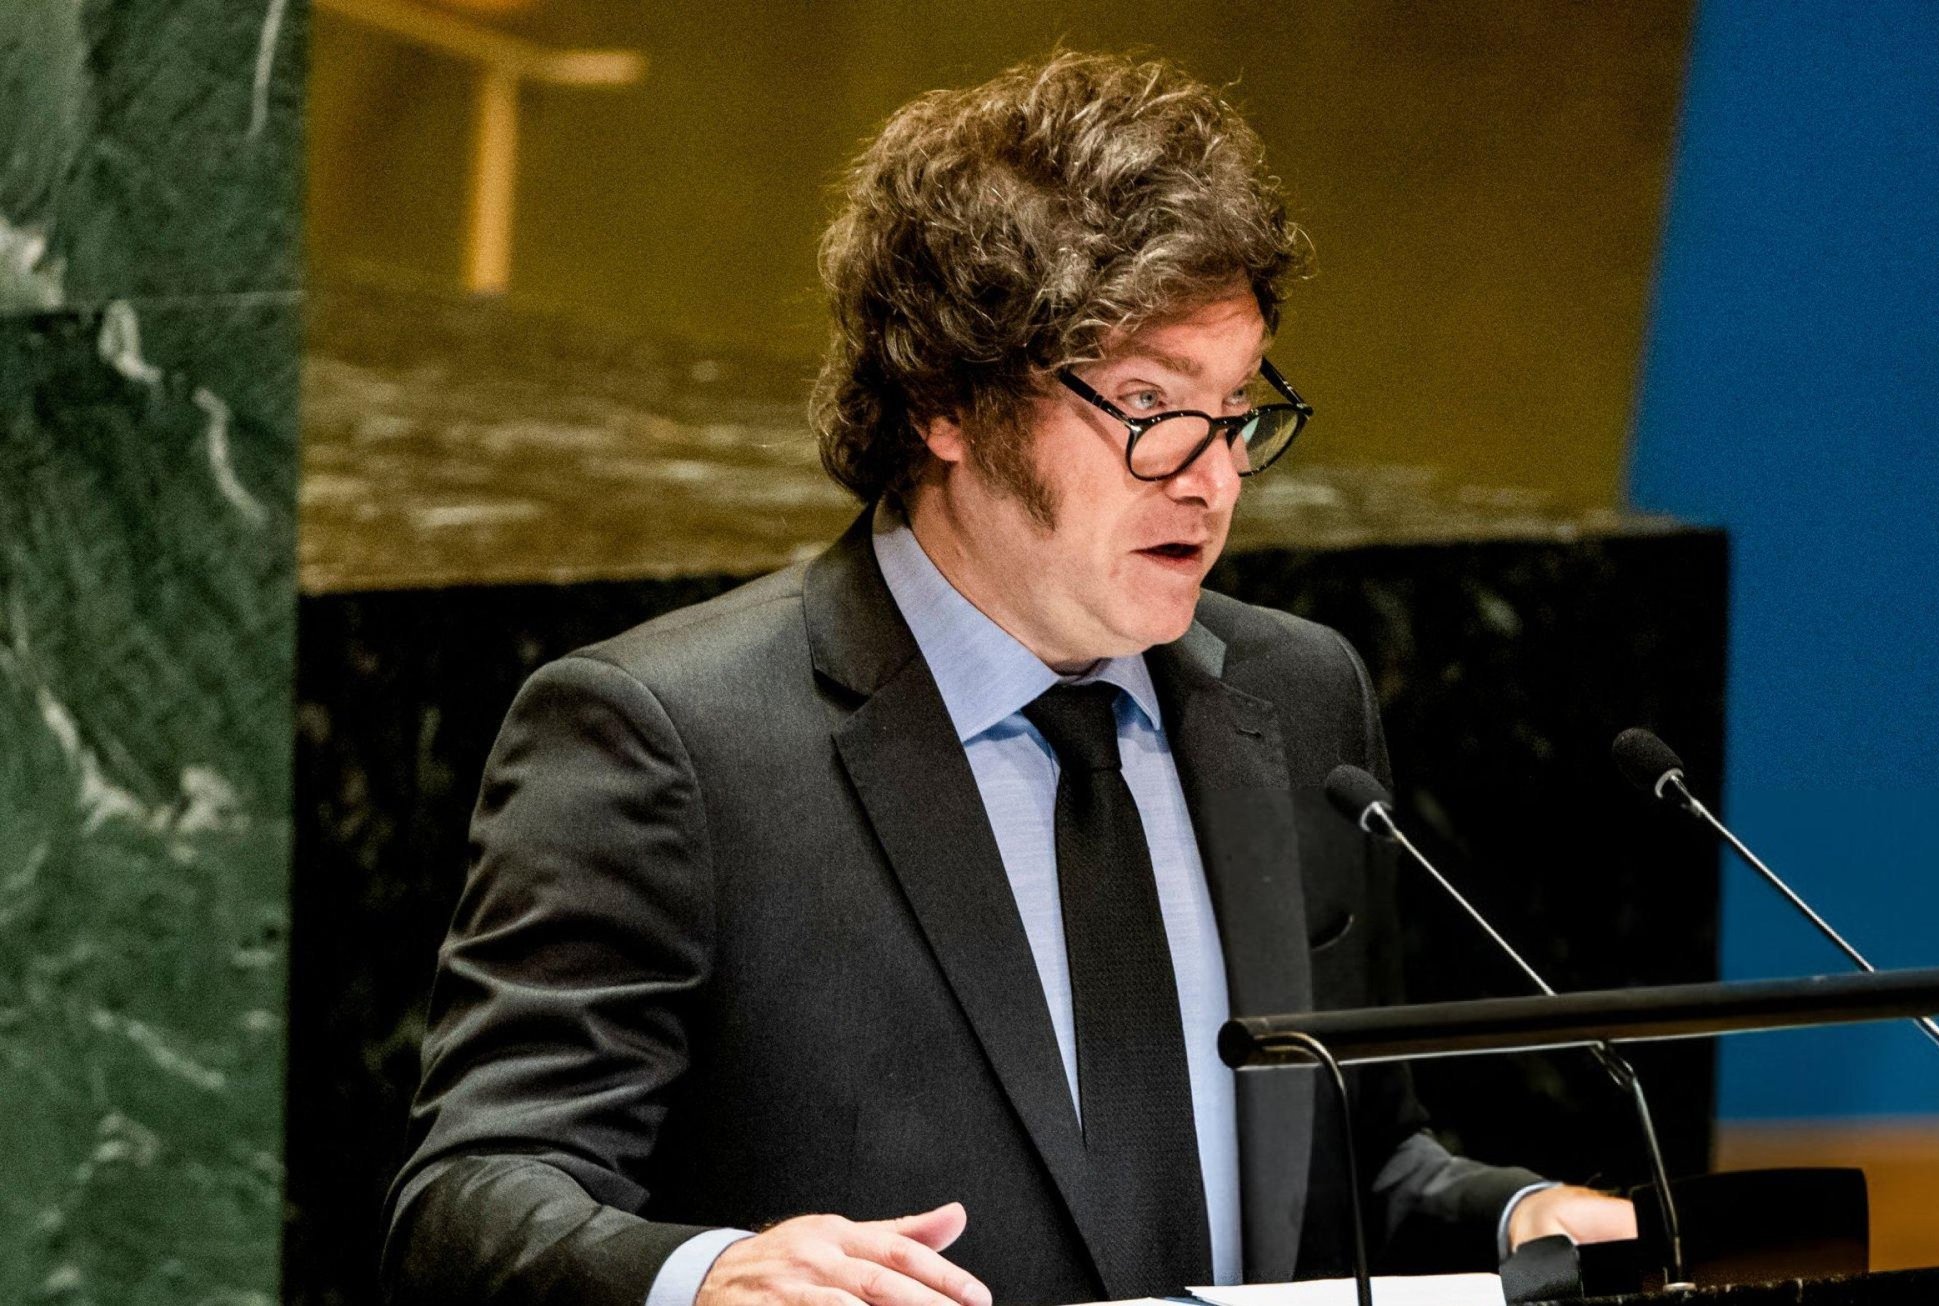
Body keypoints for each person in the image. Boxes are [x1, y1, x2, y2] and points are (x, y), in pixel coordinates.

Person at [382, 50, 1635, 1306]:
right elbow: (471, 1198)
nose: (1210, 478)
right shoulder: (673, 739)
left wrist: (1519, 1215)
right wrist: (707, 1274)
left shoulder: (1298, 698)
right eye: (1147, 403)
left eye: (1234, 407)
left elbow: (1347, 1166)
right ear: (948, 400)